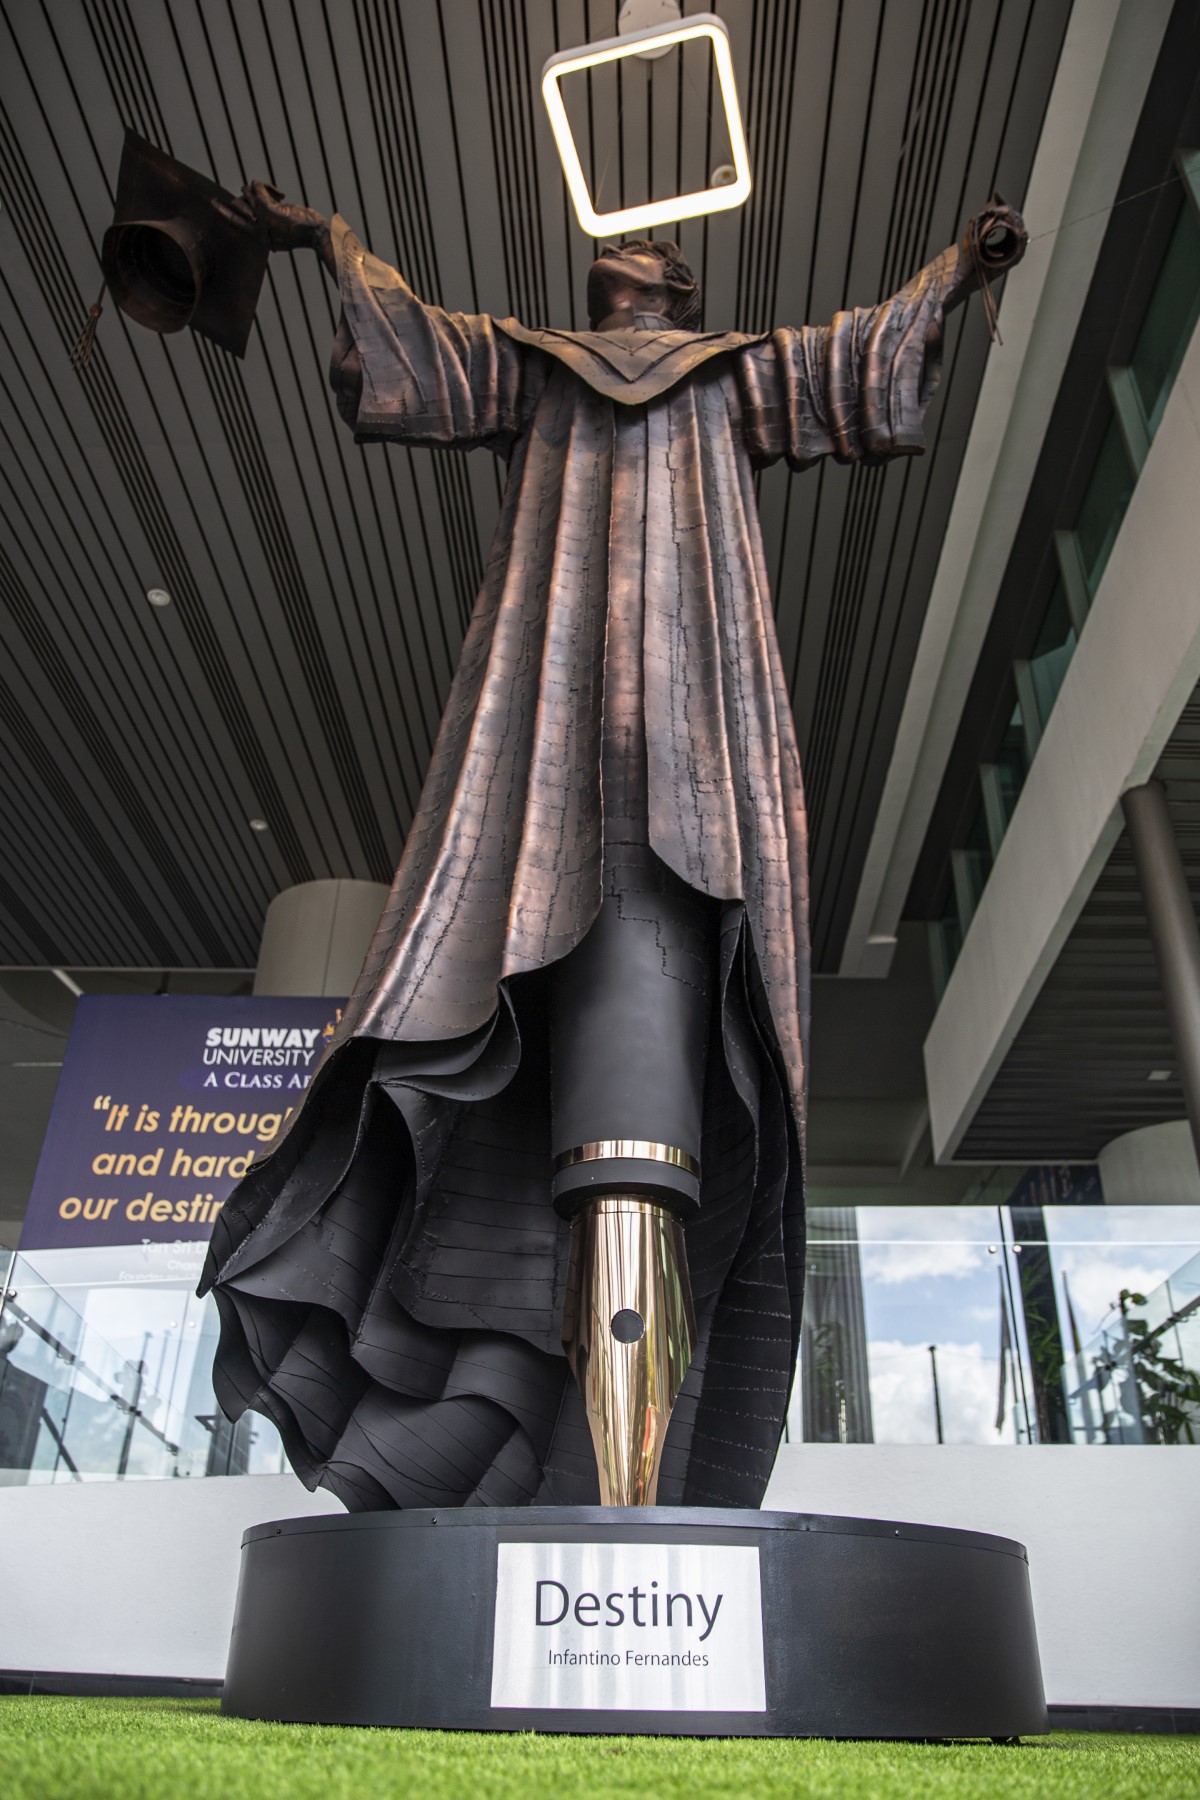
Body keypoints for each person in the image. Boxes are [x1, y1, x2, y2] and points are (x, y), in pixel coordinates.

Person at [200, 187, 1025, 1510]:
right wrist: (334, 242)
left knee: (675, 1117)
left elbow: (862, 360)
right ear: (601, 299)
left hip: (697, 775)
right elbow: (411, 351)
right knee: (515, 1081)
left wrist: (958, 273)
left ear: (684, 301)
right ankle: (523, 1456)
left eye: (662, 262)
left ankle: (637, 1482)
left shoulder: (734, 379)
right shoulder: (537, 370)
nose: (640, 260)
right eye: (621, 261)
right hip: (544, 772)